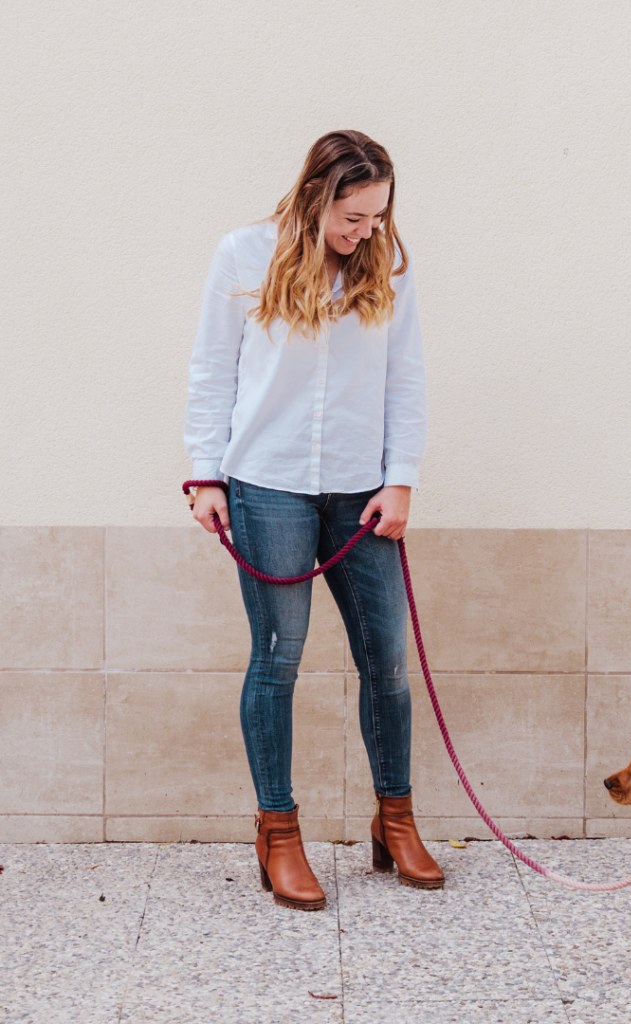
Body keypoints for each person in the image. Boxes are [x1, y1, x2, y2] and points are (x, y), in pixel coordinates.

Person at [184, 131, 442, 910]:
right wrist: (204, 474)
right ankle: (279, 833)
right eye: (353, 215)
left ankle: (394, 819)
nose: (365, 231)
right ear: (317, 194)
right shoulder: (243, 255)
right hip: (268, 484)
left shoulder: (389, 267)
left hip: (361, 490)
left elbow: (406, 379)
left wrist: (400, 483)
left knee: (386, 660)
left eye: (377, 216)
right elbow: (210, 368)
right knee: (278, 656)